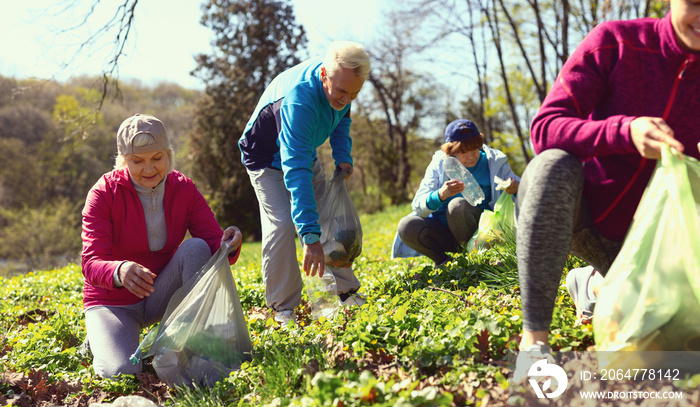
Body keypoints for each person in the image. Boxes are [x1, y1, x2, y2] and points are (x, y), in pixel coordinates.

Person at [515, 0, 700, 366]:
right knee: (552, 166)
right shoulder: (616, 43)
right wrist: (625, 131)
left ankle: (596, 285)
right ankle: (534, 342)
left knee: (671, 340)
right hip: (590, 221)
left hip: (667, 247)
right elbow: (546, 128)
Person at [82, 113, 243, 378]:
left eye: (157, 158)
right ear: (123, 161)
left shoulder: (183, 188)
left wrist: (230, 242)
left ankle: (198, 344)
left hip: (160, 292)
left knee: (196, 248)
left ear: (168, 154)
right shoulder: (103, 194)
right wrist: (119, 271)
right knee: (122, 371)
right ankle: (100, 338)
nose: (149, 169)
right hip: (114, 302)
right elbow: (91, 263)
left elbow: (213, 242)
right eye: (137, 161)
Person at [239, 41, 371, 325]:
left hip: (301, 149)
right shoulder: (300, 99)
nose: (347, 99)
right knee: (284, 224)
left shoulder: (342, 85)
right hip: (265, 157)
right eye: (341, 92)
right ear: (323, 75)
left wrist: (342, 155)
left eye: (354, 94)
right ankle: (283, 307)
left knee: (330, 217)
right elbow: (296, 169)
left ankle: (344, 290)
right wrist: (309, 237)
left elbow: (342, 118)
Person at [392, 119, 519, 266]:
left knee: (457, 206)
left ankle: (476, 261)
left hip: (482, 233)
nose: (470, 156)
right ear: (450, 151)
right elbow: (418, 204)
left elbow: (524, 190)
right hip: (444, 233)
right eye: (463, 151)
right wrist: (441, 194)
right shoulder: (439, 164)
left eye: (474, 149)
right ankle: (444, 262)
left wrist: (515, 188)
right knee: (406, 226)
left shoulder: (495, 162)